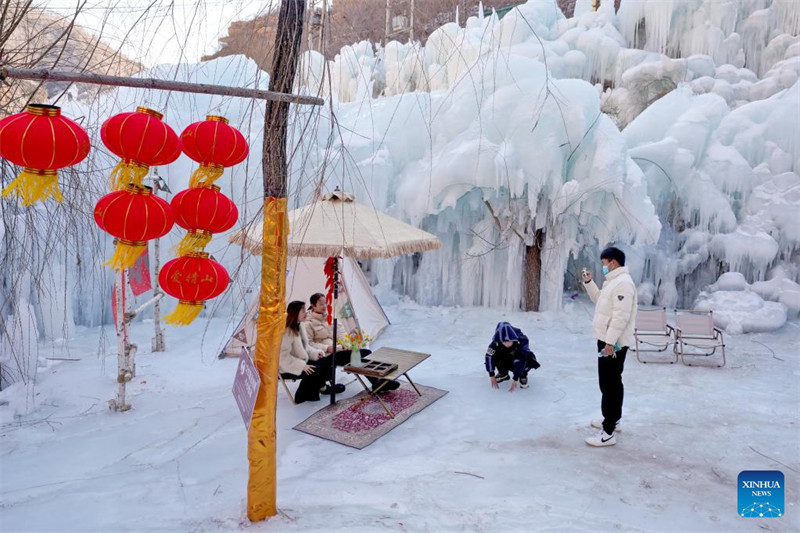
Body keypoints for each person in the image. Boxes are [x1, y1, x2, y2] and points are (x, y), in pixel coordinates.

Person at [582, 246, 638, 447]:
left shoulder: (623, 284)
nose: (603, 267)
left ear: (613, 262)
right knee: (611, 382)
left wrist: (609, 343)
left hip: (612, 343)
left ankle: (608, 432)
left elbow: (620, 318)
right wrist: (589, 283)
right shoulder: (613, 282)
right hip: (607, 340)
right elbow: (600, 302)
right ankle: (614, 420)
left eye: (604, 263)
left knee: (609, 384)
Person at [280, 301, 345, 404]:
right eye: (303, 311)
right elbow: (283, 358)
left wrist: (316, 353)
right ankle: (302, 395)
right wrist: (302, 366)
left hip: (301, 359)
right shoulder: (286, 332)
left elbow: (306, 347)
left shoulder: (300, 325)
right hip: (288, 366)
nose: (306, 313)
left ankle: (322, 388)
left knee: (326, 361)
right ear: (295, 313)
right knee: (315, 369)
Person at [484, 322, 541, 392]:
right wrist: (491, 375)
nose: (507, 344)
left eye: (509, 341)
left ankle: (522, 375)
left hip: (520, 358)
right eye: (504, 342)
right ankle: (503, 373)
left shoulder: (522, 341)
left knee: (527, 359)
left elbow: (521, 360)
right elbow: (489, 357)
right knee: (495, 355)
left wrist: (516, 378)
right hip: (507, 356)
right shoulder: (495, 342)